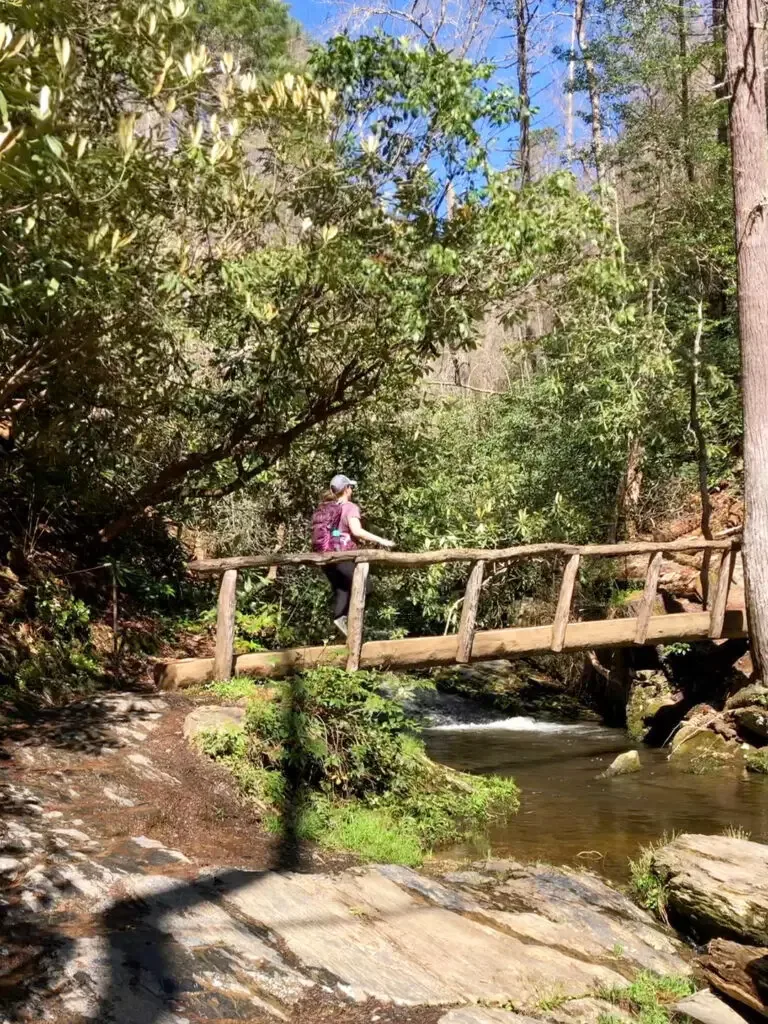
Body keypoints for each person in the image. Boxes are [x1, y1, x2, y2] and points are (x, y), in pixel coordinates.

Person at [311, 474, 395, 637]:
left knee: (343, 590)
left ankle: (339, 622)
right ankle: (353, 625)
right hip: (343, 555)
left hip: (326, 556)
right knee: (366, 588)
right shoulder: (349, 507)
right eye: (350, 487)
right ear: (347, 489)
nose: (352, 490)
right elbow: (356, 530)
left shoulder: (327, 507)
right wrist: (382, 541)